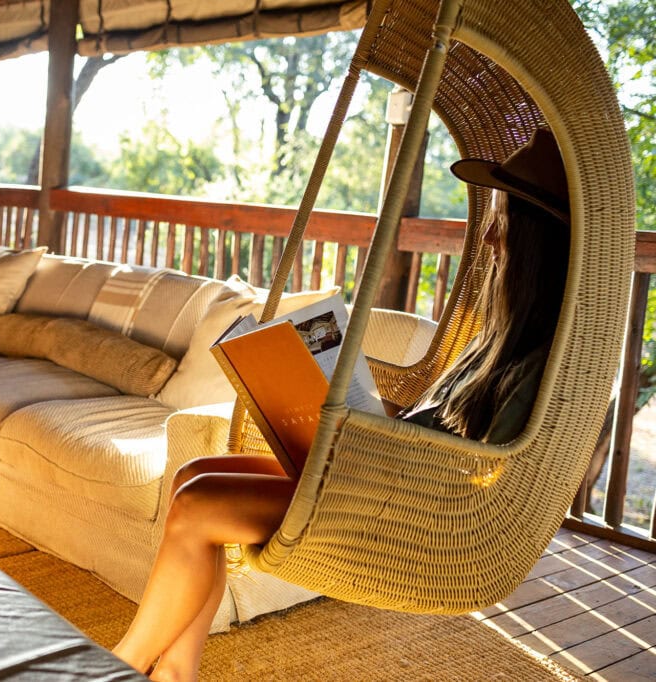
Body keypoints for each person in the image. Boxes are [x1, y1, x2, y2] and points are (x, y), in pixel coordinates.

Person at [110, 127, 572, 681]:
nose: (491, 236)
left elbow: (484, 468)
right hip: (388, 474)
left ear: (535, 240)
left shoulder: (544, 362)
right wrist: (359, 403)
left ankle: (123, 667)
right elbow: (447, 425)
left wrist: (374, 431)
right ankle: (174, 670)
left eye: (502, 222)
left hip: (418, 513)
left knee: (199, 505)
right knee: (194, 474)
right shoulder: (501, 335)